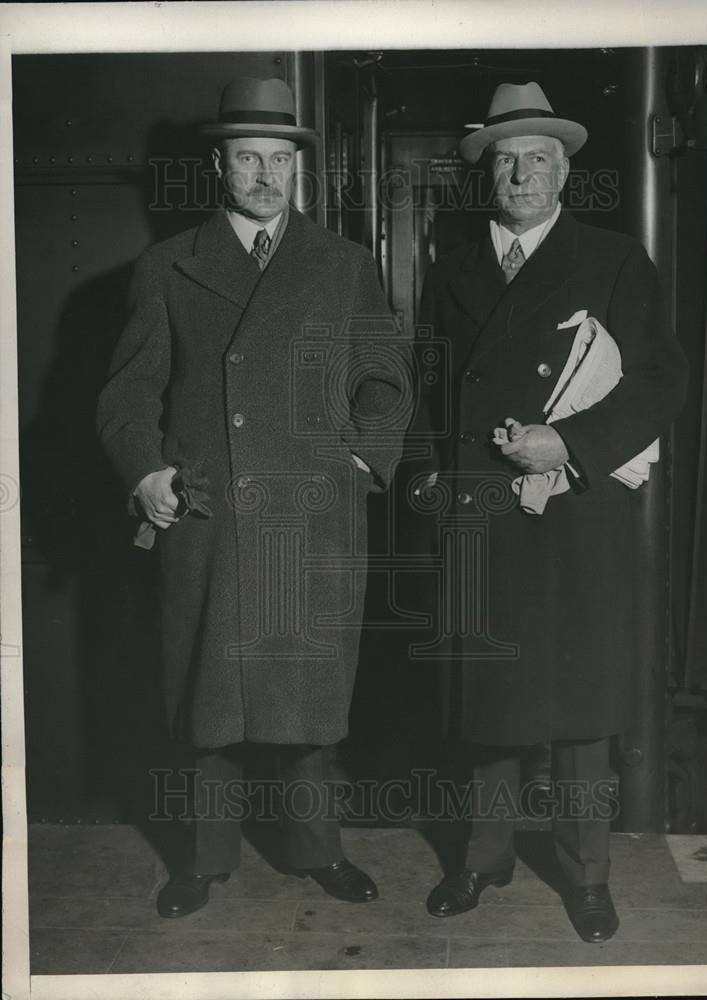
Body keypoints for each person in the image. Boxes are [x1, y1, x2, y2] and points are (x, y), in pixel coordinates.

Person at [97, 77, 410, 918]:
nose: (265, 175)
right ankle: (202, 862)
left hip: (310, 517)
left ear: (297, 168)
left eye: (278, 159)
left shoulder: (343, 264)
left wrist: (358, 462)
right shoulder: (167, 266)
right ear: (218, 165)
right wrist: (147, 473)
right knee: (210, 704)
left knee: (306, 706)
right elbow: (128, 397)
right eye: (247, 158)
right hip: (211, 516)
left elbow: (387, 382)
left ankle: (319, 853)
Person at [416, 82, 688, 942]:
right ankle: (481, 859)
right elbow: (424, 386)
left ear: (564, 171)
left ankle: (588, 877)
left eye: (538, 158)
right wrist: (424, 476)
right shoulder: (451, 269)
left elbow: (657, 383)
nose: (522, 174)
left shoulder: (613, 258)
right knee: (487, 703)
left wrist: (564, 443)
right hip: (480, 511)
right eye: (506, 160)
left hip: (571, 512)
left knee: (577, 705)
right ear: (486, 176)